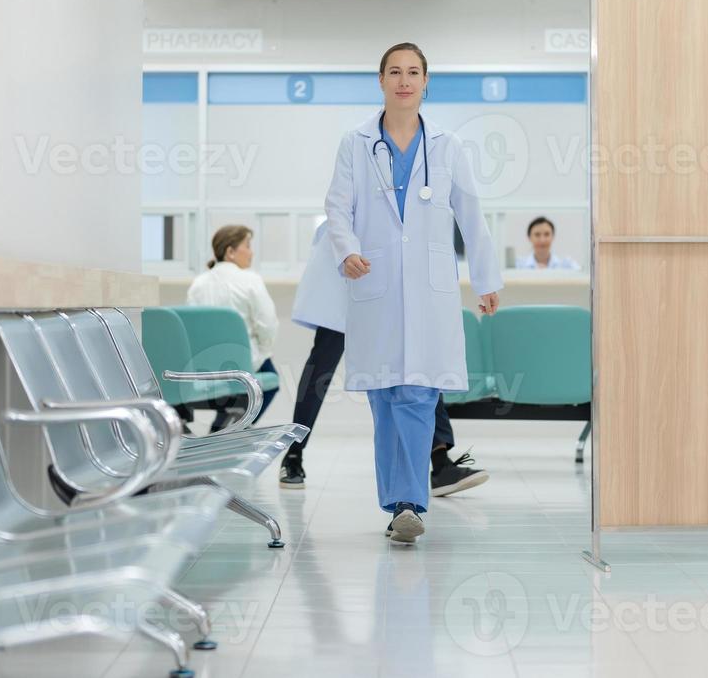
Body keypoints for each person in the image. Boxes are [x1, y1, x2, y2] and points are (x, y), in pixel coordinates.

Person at [323, 42, 503, 545]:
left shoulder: (447, 145)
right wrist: (346, 249)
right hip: (374, 283)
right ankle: (398, 499)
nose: (404, 80)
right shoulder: (355, 143)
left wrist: (485, 280)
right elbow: (337, 206)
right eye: (395, 71)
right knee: (386, 398)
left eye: (414, 72)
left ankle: (408, 504)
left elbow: (471, 213)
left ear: (426, 82)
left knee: (420, 391)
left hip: (430, 292)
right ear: (380, 80)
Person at [282, 222, 489, 497]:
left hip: (389, 289)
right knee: (320, 369)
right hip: (347, 279)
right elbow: (338, 219)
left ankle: (440, 464)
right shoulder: (352, 185)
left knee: (419, 368)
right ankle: (293, 455)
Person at [186, 224, 279, 430]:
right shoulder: (250, 280)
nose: (251, 252)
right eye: (247, 245)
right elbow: (267, 323)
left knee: (224, 389)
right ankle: (234, 427)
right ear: (230, 252)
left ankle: (224, 424)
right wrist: (263, 351)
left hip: (206, 364)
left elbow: (191, 328)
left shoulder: (198, 284)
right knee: (272, 380)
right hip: (243, 363)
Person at [515, 216, 581, 271]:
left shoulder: (567, 265)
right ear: (529, 237)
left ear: (553, 236)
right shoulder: (518, 266)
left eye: (547, 234)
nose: (542, 240)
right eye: (537, 235)